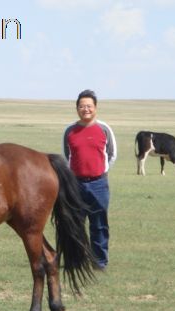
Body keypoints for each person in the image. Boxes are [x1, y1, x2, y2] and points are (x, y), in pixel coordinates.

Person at [63, 89, 117, 270]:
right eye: (82, 106)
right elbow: (68, 155)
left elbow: (112, 154)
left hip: (98, 184)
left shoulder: (104, 129)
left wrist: (101, 171)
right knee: (75, 224)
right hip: (75, 184)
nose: (85, 109)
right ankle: (77, 261)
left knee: (99, 224)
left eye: (89, 106)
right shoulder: (70, 131)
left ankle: (99, 262)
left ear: (95, 108)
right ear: (77, 108)